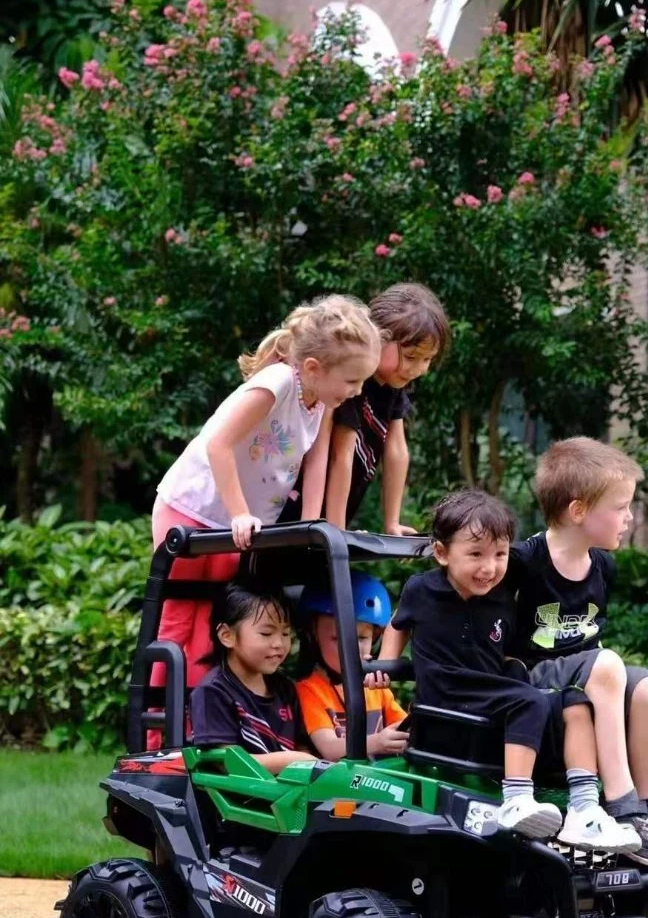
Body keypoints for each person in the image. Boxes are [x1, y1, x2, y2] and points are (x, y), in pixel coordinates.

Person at [379, 489, 641, 852]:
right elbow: (398, 624)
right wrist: (383, 669)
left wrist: (518, 673)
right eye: (475, 555)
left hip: (490, 701)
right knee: (527, 702)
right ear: (441, 553)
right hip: (447, 705)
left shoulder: (501, 598)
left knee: (572, 703)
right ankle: (517, 798)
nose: (489, 568)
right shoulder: (422, 589)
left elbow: (509, 653)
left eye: (500, 555)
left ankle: (586, 810)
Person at [152, 294, 381, 690]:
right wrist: (241, 513)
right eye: (352, 381)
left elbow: (314, 462)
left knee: (213, 625)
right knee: (178, 618)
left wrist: (312, 521)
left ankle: (195, 727)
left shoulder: (320, 401)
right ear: (313, 367)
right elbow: (218, 444)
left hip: (229, 525)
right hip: (192, 507)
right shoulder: (277, 383)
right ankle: (158, 740)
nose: (358, 392)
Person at [507, 436, 648, 865]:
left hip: (585, 677)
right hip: (533, 684)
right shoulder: (524, 562)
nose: (629, 518)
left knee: (646, 687)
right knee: (607, 663)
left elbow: (593, 641)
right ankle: (623, 804)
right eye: (620, 507)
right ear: (579, 511)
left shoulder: (603, 565)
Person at [280, 282, 450, 534]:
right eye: (412, 357)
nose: (419, 369)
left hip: (326, 522)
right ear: (379, 336)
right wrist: (337, 532)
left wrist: (391, 522)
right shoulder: (352, 381)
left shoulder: (393, 385)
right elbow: (340, 456)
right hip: (297, 513)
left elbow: (397, 451)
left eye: (428, 360)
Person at [190, 582, 316, 772]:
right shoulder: (212, 692)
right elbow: (226, 762)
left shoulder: (286, 688)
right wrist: (295, 761)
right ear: (227, 636)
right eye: (266, 633)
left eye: (285, 633)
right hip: (237, 799)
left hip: (287, 795)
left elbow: (302, 745)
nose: (279, 643)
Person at [295, 572, 408, 761]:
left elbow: (403, 726)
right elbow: (329, 748)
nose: (352, 648)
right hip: (335, 786)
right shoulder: (309, 690)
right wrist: (378, 742)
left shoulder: (375, 688)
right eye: (338, 638)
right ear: (312, 637)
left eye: (362, 638)